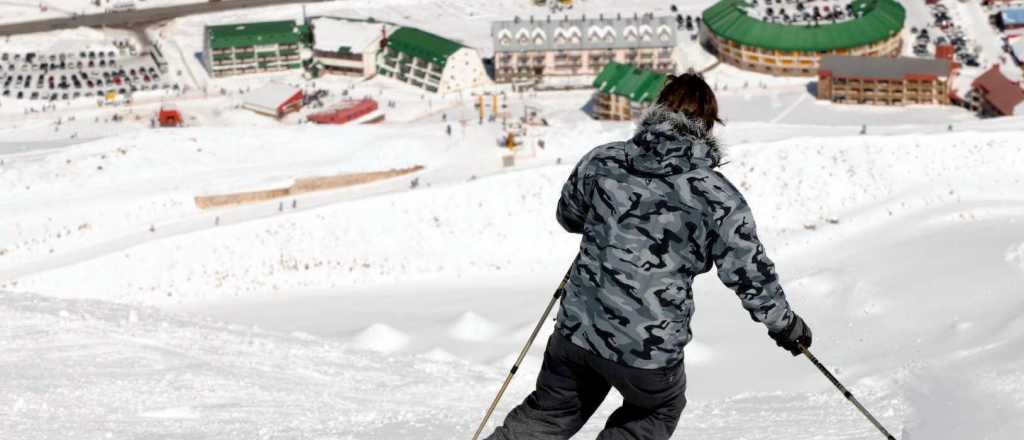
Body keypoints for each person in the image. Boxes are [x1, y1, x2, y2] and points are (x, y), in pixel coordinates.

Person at [484, 73, 812, 440]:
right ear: (706, 126)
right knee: (657, 410)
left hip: (578, 330)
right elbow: (749, 274)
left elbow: (568, 216)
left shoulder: (604, 159)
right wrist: (785, 326)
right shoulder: (716, 196)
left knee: (549, 415)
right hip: (647, 351)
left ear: (657, 111)